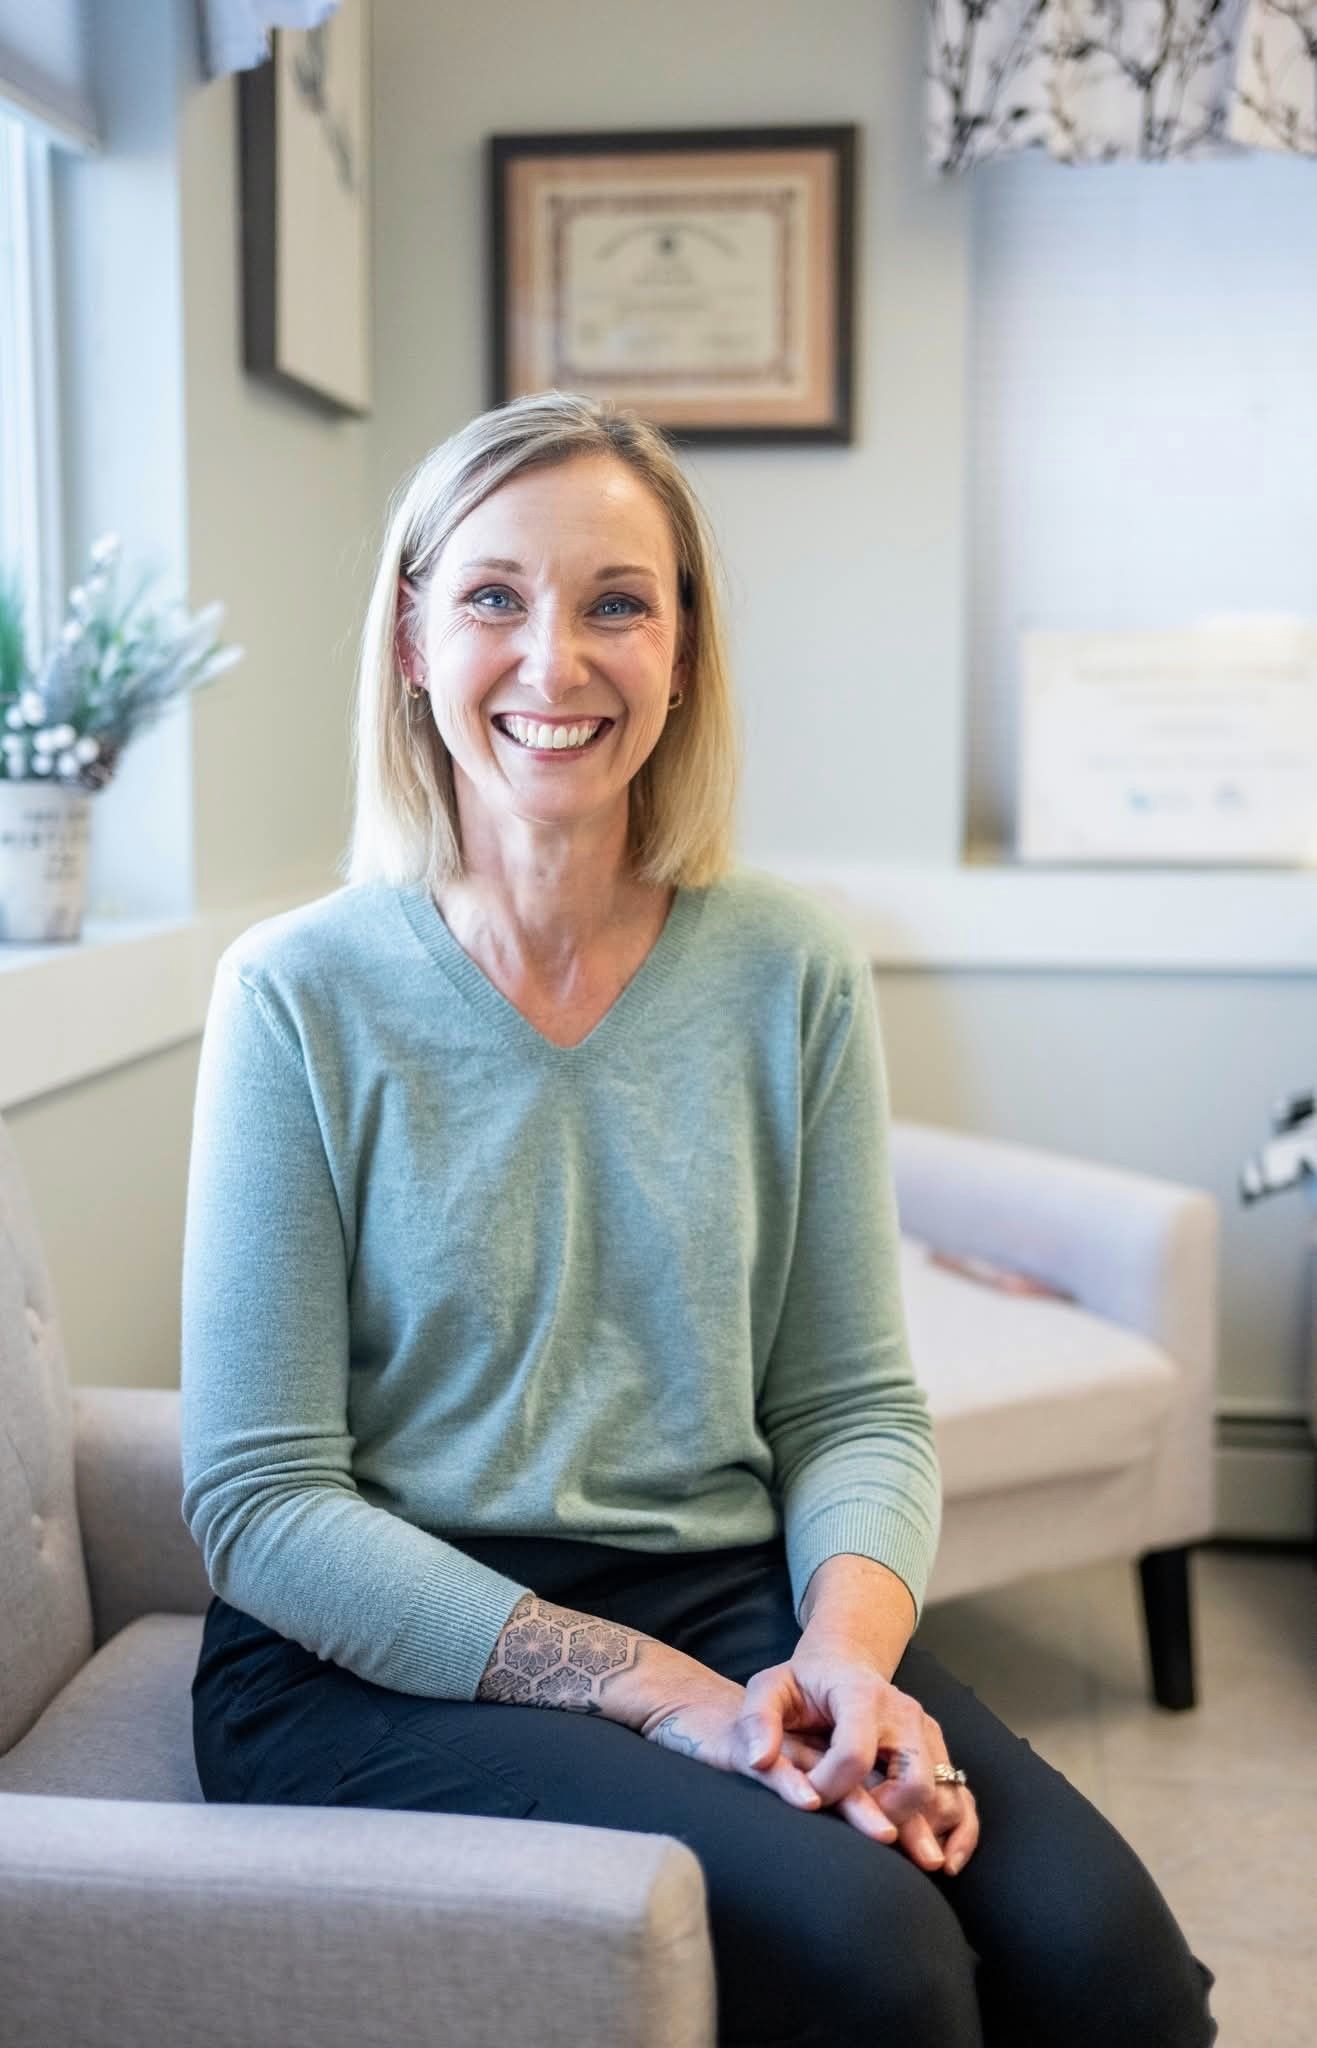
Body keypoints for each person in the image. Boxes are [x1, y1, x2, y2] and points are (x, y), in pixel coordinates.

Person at [181, 390, 1218, 2047]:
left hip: (728, 1595)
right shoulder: (298, 993)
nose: (553, 659)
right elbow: (259, 1502)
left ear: (681, 648)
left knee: (1109, 1974)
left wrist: (848, 1662)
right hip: (377, 1643)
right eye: (493, 597)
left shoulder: (783, 968)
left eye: (615, 601)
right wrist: (674, 1704)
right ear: (409, 636)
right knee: (876, 1959)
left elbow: (850, 1402)